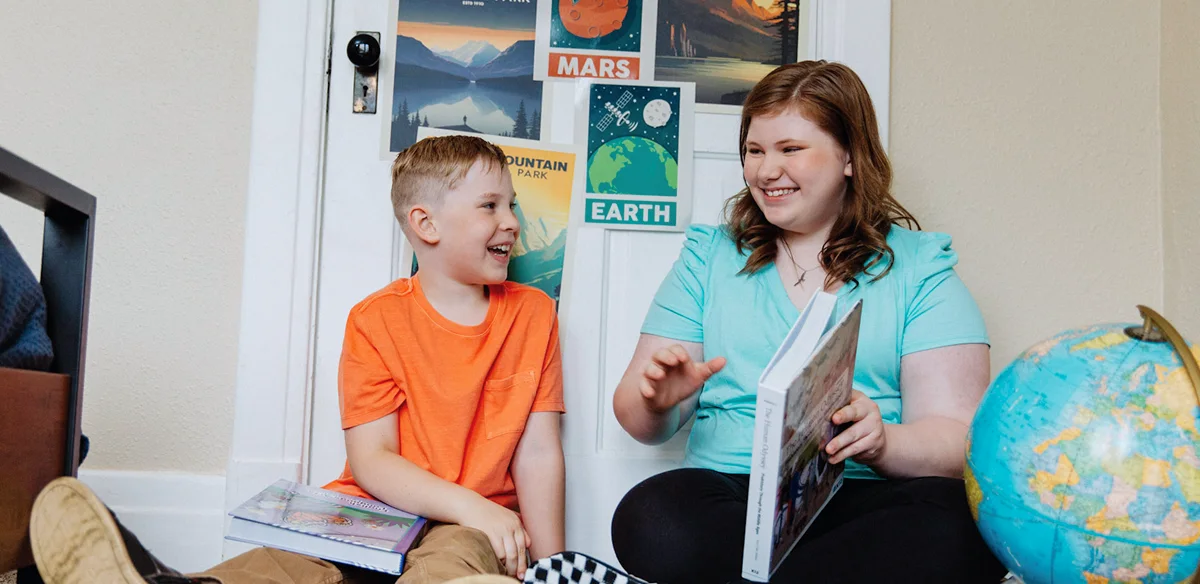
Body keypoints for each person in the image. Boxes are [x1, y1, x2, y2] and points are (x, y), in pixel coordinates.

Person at [29, 135, 568, 584]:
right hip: (373, 511)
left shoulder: (534, 314)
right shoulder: (374, 319)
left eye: (512, 204)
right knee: (283, 567)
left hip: (473, 526)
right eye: (491, 206)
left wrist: (552, 567)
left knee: (453, 565)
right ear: (426, 224)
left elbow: (539, 454)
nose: (512, 221)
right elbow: (373, 460)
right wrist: (464, 502)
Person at [609, 61, 1008, 584]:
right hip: (735, 497)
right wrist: (657, 400)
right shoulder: (708, 257)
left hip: (869, 494)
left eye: (790, 149)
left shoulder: (920, 267)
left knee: (966, 526)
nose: (765, 171)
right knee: (651, 516)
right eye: (755, 151)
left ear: (849, 155)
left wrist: (884, 442)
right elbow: (638, 421)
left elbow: (960, 440)